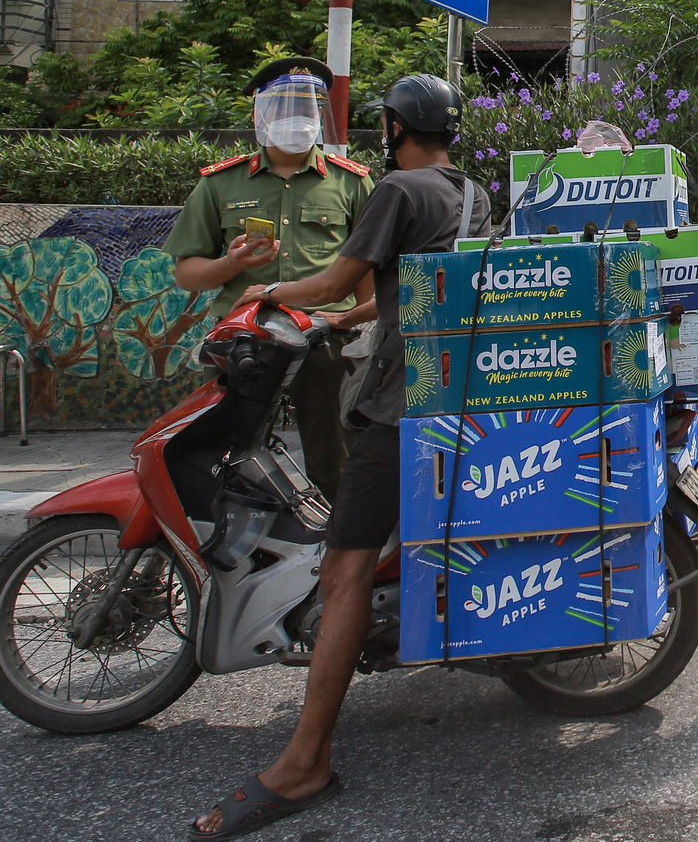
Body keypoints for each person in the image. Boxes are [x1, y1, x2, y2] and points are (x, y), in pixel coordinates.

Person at [191, 74, 489, 839]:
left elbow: (336, 273)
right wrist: (333, 317)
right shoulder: (468, 190)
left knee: (343, 568)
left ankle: (305, 759)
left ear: (393, 126)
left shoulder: (395, 187)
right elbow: (405, 285)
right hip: (447, 386)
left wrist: (265, 294)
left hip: (400, 400)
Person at [164, 57, 374, 500]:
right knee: (220, 452)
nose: (298, 118)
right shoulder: (221, 184)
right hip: (245, 340)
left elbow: (368, 275)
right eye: (285, 108)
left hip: (325, 339)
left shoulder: (351, 183)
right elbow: (187, 272)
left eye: (309, 108)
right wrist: (232, 264)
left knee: (335, 454)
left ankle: (339, 555)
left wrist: (358, 326)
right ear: (262, 115)